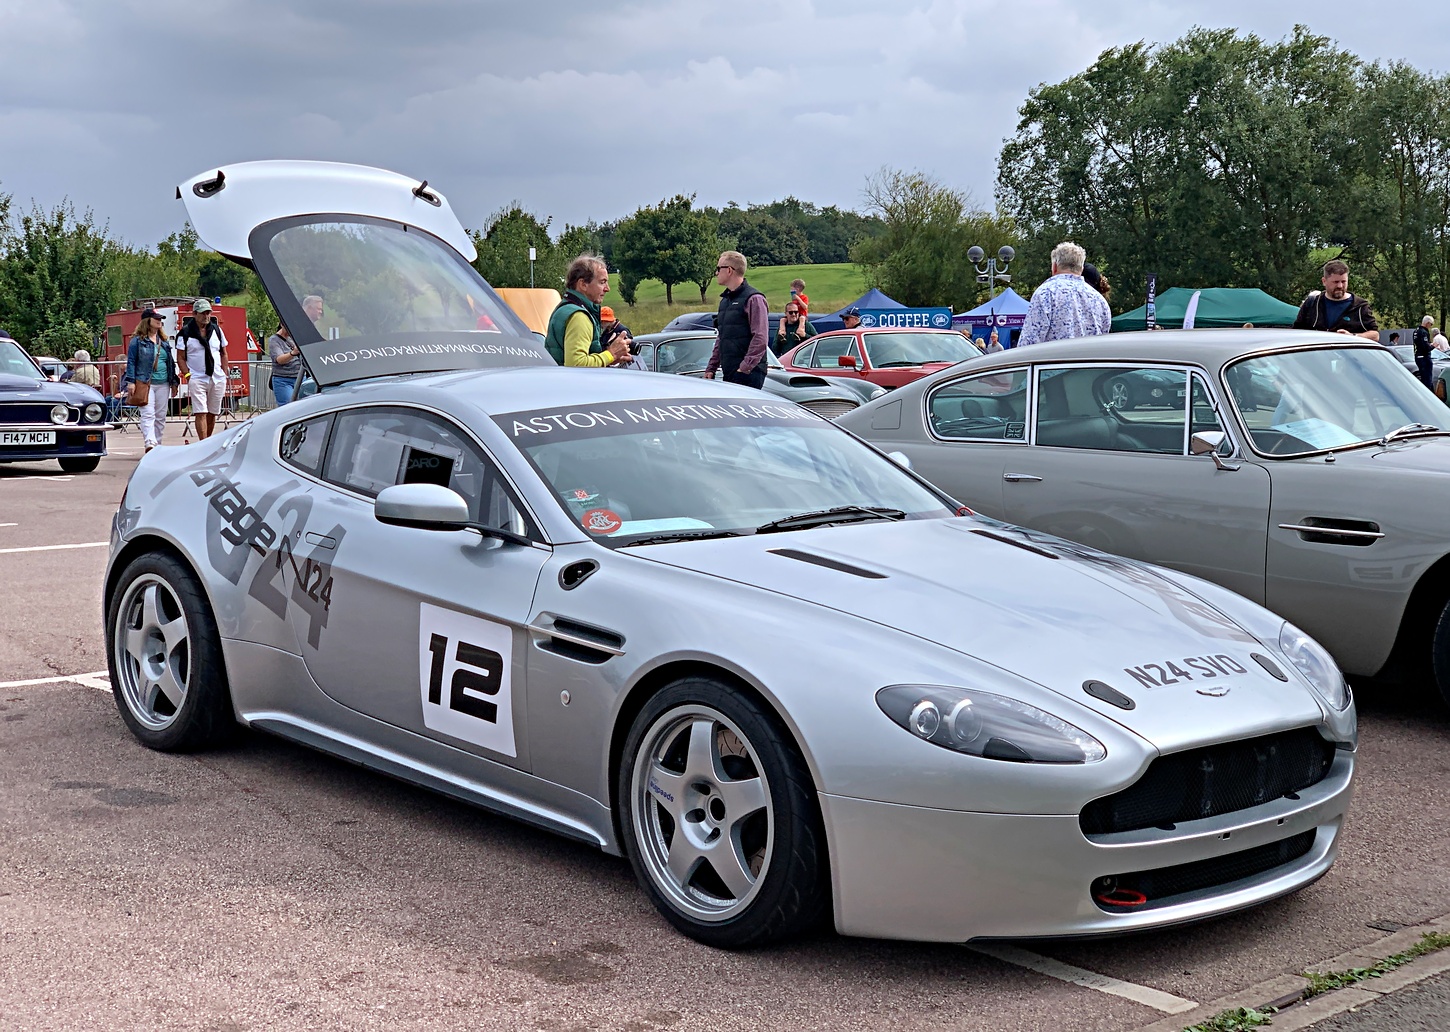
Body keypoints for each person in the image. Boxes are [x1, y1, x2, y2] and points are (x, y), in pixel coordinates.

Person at [1018, 242, 1112, 346]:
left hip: (1054, 361)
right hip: (1089, 361)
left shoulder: (1045, 294)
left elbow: (1029, 342)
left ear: (1054, 267)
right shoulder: (1099, 300)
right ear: (1081, 268)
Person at [543, 255, 630, 367]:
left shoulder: (566, 308)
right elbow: (576, 364)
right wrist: (611, 354)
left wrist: (609, 360)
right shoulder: (579, 316)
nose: (607, 288)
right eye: (602, 282)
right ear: (583, 284)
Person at [703, 251, 768, 388]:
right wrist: (711, 367)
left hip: (749, 373)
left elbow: (760, 338)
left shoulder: (754, 299)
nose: (716, 273)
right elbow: (722, 337)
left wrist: (744, 367)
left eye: (718, 268)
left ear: (729, 270)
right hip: (729, 371)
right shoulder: (725, 301)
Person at [121, 307, 178, 453]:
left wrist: (174, 382)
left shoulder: (164, 342)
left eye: (160, 319)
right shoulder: (137, 341)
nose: (159, 321)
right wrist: (131, 381)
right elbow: (132, 361)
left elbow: (170, 362)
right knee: (147, 414)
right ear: (147, 321)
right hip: (145, 382)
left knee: (160, 416)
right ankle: (150, 443)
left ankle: (157, 446)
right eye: (156, 319)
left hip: (163, 383)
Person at [176, 299, 229, 440]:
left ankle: (208, 442)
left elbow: (223, 352)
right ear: (194, 314)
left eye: (208, 313)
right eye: (203, 313)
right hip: (197, 377)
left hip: (217, 376)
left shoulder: (217, 330)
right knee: (201, 412)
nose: (206, 316)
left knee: (213, 412)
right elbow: (180, 357)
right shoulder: (185, 333)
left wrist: (225, 371)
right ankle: (202, 443)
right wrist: (187, 374)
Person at [1292, 260, 1379, 340]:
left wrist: (1353, 336)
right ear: (1324, 281)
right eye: (1336, 282)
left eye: (1343, 281)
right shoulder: (1312, 303)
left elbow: (1375, 335)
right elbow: (1296, 332)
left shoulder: (1360, 306)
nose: (1340, 286)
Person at [267, 321, 303, 405]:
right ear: (281, 324)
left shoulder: (295, 337)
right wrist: (293, 353)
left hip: (300, 377)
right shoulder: (274, 340)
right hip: (283, 379)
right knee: (288, 407)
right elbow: (279, 359)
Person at [1412, 317, 1435, 387]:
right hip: (1424, 357)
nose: (1430, 326)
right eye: (1431, 324)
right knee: (1427, 379)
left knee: (1423, 377)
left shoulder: (1416, 331)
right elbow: (1426, 347)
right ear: (1427, 323)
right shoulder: (1423, 332)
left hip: (1418, 355)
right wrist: (1433, 346)